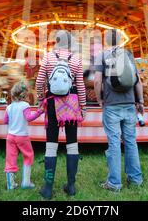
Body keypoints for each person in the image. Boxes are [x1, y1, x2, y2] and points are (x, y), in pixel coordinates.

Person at [36, 30, 87, 200]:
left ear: (56, 41)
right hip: (71, 103)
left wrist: (40, 99)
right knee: (72, 143)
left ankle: (48, 188)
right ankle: (71, 186)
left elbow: (39, 80)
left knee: (51, 144)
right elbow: (80, 85)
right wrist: (84, 107)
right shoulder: (77, 59)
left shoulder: (49, 56)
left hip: (52, 102)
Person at [94, 29, 144, 192]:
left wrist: (100, 99)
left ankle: (114, 183)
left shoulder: (102, 55)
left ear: (106, 41)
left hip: (111, 104)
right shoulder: (128, 54)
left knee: (114, 143)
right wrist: (140, 101)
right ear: (121, 40)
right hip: (129, 103)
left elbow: (97, 81)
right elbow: (137, 81)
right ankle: (135, 180)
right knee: (131, 141)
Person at [4, 81, 43, 190]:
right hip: (22, 136)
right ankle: (26, 182)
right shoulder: (25, 105)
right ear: (24, 94)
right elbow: (29, 118)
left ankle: (10, 184)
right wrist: (39, 112)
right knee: (28, 155)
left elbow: (5, 121)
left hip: (10, 136)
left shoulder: (9, 107)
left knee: (10, 158)